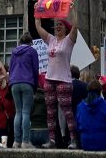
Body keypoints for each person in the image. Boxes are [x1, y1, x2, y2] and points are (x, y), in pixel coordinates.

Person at [34, 9, 80, 149]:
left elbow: (76, 26)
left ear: (66, 28)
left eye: (60, 24)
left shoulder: (69, 40)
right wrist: (37, 12)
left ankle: (73, 140)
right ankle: (52, 140)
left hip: (64, 80)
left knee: (67, 112)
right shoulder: (51, 40)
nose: (57, 26)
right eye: (56, 24)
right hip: (49, 79)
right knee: (50, 112)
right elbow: (38, 27)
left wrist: (73, 10)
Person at [9, 31, 39, 148]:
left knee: (18, 112)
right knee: (26, 112)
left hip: (14, 83)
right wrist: (35, 86)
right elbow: (35, 69)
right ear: (31, 42)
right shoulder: (32, 51)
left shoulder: (13, 52)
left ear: (20, 41)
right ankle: (25, 141)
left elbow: (10, 69)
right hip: (27, 82)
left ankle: (16, 141)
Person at [76, 79, 106, 151]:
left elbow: (77, 126)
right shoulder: (105, 105)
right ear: (100, 91)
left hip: (86, 143)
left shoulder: (80, 106)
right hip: (104, 143)